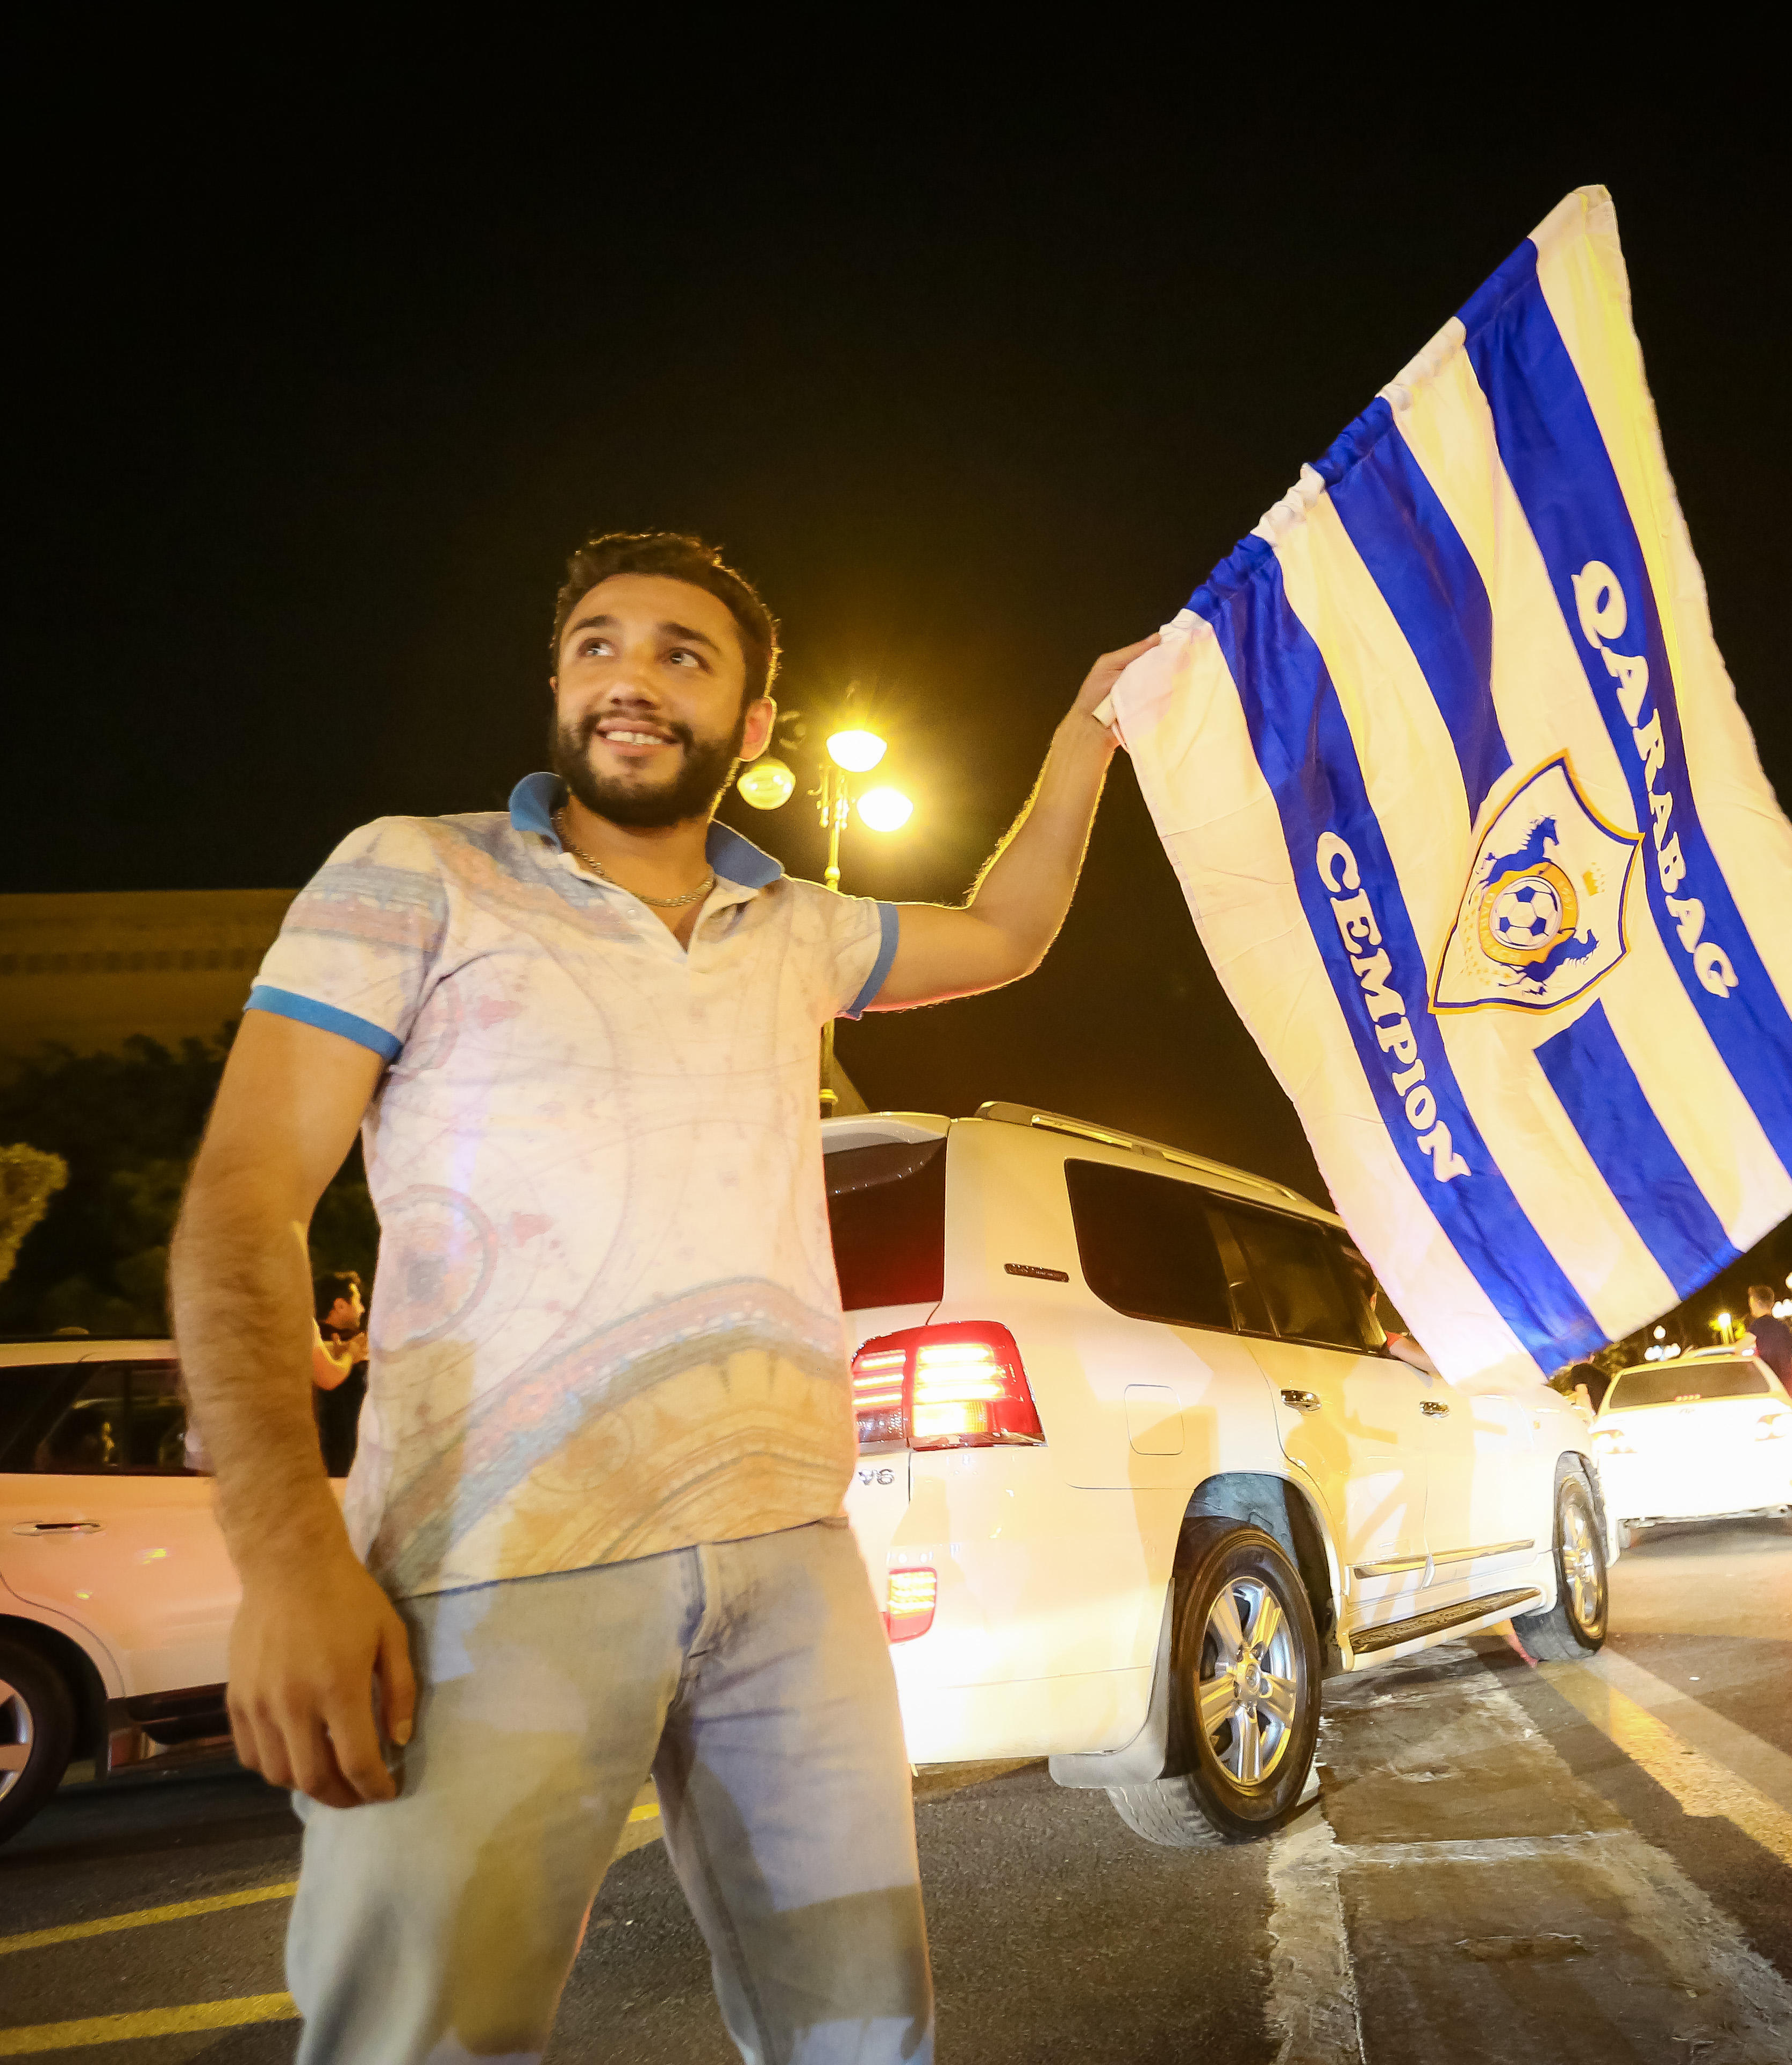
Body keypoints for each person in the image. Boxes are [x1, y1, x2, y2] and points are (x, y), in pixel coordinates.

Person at [172, 529, 1148, 2064]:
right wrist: (289, 1559)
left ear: (754, 728)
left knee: (863, 2028)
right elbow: (241, 1204)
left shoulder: (801, 931)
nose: (631, 679)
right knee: (426, 2035)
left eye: (682, 656)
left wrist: (1089, 732)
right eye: (598, 648)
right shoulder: (411, 871)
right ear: (558, 686)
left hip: (789, 1563)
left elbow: (1011, 934)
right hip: (488, 1565)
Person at [309, 1270, 368, 1478]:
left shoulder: (299, 1335)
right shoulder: (356, 1346)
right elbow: (329, 1378)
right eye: (357, 1301)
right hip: (340, 1457)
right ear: (340, 1305)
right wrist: (351, 1355)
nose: (362, 1309)